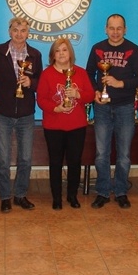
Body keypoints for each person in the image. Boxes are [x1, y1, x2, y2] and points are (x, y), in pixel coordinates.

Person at [86, 13, 138, 209]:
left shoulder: (133, 50)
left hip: (125, 107)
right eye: (111, 28)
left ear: (125, 30)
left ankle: (121, 192)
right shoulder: (97, 48)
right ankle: (103, 192)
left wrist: (121, 83)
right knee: (101, 154)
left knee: (124, 155)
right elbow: (88, 74)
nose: (115, 32)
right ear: (106, 29)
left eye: (119, 28)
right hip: (102, 108)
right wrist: (95, 92)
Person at [0, 17, 42, 213]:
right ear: (9, 31)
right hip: (3, 113)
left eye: (23, 30)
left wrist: (31, 83)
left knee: (25, 158)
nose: (19, 34)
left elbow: (41, 81)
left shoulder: (35, 55)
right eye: (15, 30)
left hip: (26, 115)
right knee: (3, 159)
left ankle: (20, 195)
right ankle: (5, 197)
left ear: (28, 33)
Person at [37, 38, 95, 210]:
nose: (61, 53)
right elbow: (41, 99)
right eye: (57, 50)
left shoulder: (81, 73)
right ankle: (57, 197)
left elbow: (91, 95)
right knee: (55, 162)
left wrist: (78, 94)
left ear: (70, 53)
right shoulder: (46, 74)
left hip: (76, 126)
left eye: (64, 50)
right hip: (54, 126)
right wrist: (56, 108)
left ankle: (72, 195)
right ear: (52, 55)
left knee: (75, 162)